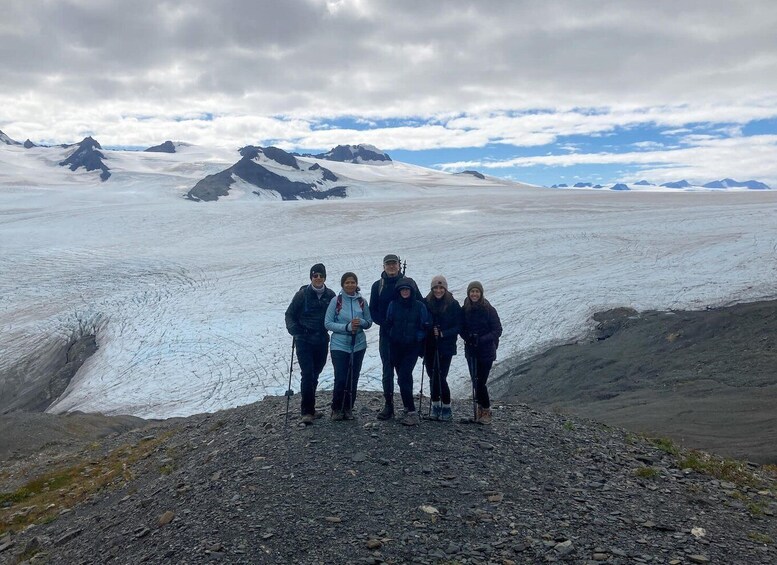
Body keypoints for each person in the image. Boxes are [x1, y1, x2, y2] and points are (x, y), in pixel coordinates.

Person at [370, 254, 422, 420]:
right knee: (387, 371)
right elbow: (373, 310)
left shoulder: (409, 283)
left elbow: (420, 304)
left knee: (404, 373)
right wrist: (384, 323)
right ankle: (389, 405)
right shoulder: (378, 286)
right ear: (383, 266)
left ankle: (408, 406)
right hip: (387, 336)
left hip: (405, 337)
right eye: (388, 264)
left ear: (399, 265)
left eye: (394, 264)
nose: (391, 267)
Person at [284, 263, 336, 425]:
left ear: (325, 277)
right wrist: (295, 331)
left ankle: (311, 408)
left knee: (316, 373)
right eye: (315, 276)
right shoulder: (302, 295)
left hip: (321, 340)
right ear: (311, 278)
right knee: (308, 374)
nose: (318, 278)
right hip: (304, 340)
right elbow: (290, 314)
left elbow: (336, 314)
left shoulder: (330, 295)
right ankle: (306, 411)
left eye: (321, 275)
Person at [325, 272, 372, 421]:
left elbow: (369, 321)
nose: (350, 285)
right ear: (342, 285)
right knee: (341, 377)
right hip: (339, 345)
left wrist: (361, 323)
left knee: (353, 376)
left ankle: (348, 408)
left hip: (358, 344)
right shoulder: (336, 301)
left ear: (356, 284)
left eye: (353, 282)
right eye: (347, 283)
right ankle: (336, 408)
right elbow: (328, 323)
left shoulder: (362, 301)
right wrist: (347, 327)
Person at [384, 277, 430, 426]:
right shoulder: (393, 305)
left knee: (403, 376)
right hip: (396, 346)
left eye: (407, 289)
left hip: (411, 348)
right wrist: (392, 335)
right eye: (402, 289)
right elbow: (388, 322)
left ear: (412, 291)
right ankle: (407, 407)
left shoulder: (419, 306)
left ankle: (411, 411)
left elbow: (424, 325)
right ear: (399, 291)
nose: (405, 291)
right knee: (403, 377)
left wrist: (417, 338)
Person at [460, 281, 503, 425]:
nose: (474, 294)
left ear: (481, 293)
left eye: (477, 291)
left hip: (486, 351)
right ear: (468, 293)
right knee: (475, 381)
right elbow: (461, 327)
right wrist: (468, 337)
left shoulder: (489, 310)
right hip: (471, 350)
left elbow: (497, 330)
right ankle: (480, 411)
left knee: (480, 382)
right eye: (472, 291)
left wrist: (481, 339)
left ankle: (486, 410)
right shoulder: (464, 309)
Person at [423, 275, 462, 421]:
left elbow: (458, 326)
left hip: (446, 346)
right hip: (430, 345)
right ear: (432, 288)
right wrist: (429, 328)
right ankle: (436, 405)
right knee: (432, 376)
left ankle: (446, 407)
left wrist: (443, 333)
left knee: (440, 376)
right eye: (436, 288)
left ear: (445, 288)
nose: (438, 290)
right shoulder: (426, 302)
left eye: (441, 288)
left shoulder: (453, 304)